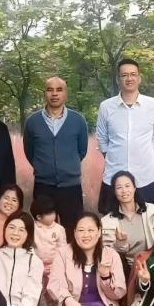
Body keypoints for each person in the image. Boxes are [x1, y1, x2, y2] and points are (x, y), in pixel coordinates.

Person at [96, 59, 154, 214]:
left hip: (145, 175)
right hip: (114, 174)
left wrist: (141, 155)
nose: (129, 78)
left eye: (133, 74)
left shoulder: (153, 105)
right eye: (124, 75)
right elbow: (102, 138)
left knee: (146, 218)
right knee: (111, 219)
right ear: (118, 79)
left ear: (139, 78)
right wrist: (114, 156)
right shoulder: (106, 106)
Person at [23, 77, 89, 231]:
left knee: (72, 229)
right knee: (43, 231)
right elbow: (29, 151)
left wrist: (67, 167)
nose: (54, 94)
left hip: (71, 187)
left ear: (65, 93)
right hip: (43, 187)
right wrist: (43, 167)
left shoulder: (78, 120)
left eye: (59, 90)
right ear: (44, 93)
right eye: (50, 90)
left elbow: (82, 150)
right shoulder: (32, 122)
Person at [100, 170, 154, 275]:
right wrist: (120, 243)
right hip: (126, 269)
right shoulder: (107, 221)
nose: (124, 191)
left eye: (127, 186)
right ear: (114, 192)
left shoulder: (151, 211)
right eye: (119, 187)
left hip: (152, 264)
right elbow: (109, 255)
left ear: (134, 188)